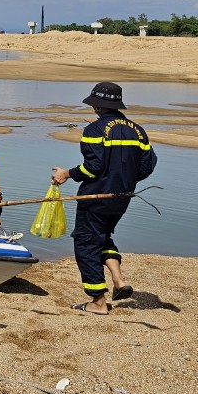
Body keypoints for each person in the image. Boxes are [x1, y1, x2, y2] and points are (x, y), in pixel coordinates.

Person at [52, 82, 157, 315]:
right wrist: (125, 180)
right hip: (122, 197)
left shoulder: (95, 130)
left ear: (97, 105)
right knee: (103, 235)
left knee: (86, 243)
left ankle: (98, 302)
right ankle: (119, 282)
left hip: (95, 196)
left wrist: (67, 174)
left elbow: (93, 167)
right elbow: (147, 166)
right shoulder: (138, 130)